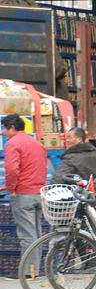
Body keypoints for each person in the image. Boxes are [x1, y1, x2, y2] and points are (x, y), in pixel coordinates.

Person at [2, 114, 47, 278]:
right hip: (38, 192)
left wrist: (12, 188)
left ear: (12, 128)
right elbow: (41, 167)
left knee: (27, 235)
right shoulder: (36, 143)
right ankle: (34, 270)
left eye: (4, 129)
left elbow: (12, 169)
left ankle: (28, 272)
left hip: (23, 193)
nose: (3, 132)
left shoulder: (13, 143)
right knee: (36, 233)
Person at [52, 127, 96, 194]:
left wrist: (51, 192)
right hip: (95, 199)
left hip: (78, 198)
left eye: (70, 137)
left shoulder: (70, 158)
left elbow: (58, 179)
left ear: (79, 139)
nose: (67, 140)